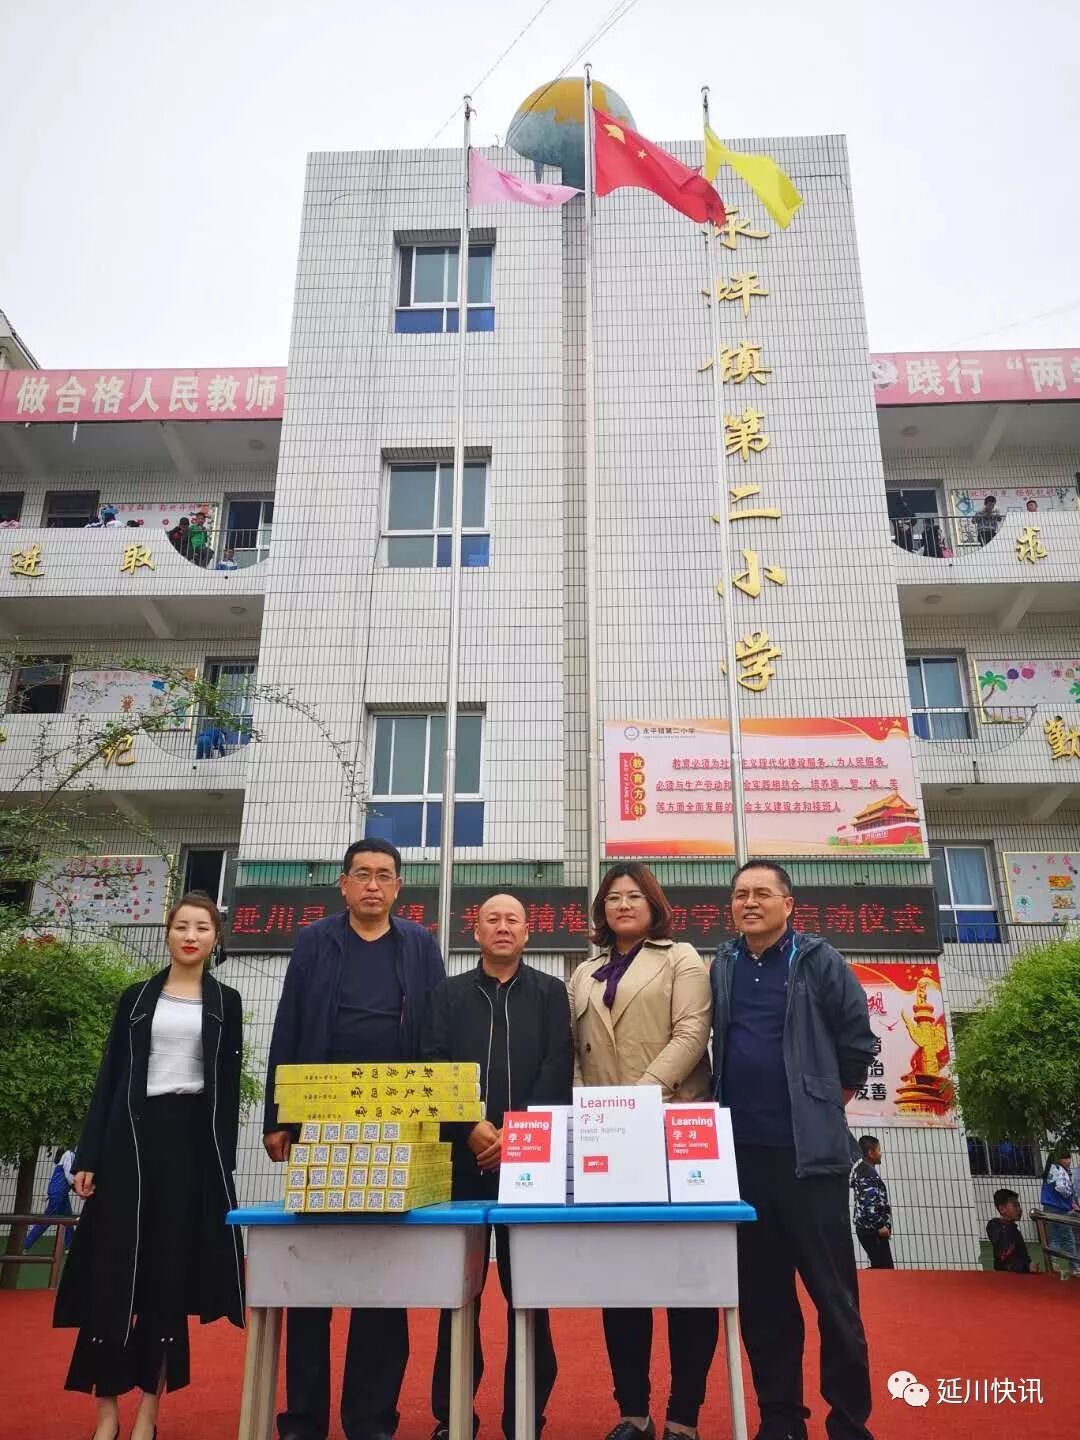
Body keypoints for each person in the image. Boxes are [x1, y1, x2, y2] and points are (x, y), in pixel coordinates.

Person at [264, 838, 446, 1440]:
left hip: (397, 1123)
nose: (373, 884)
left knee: (383, 1278)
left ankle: (371, 1419)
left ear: (399, 887)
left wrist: (437, 1118)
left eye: (384, 875)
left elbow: (436, 1030)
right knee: (312, 1277)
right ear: (343, 884)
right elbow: (289, 1024)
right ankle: (303, 1420)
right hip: (320, 1122)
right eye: (362, 874)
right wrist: (278, 1117)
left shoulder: (419, 945)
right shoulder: (315, 941)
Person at [54, 893, 245, 1440]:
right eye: (181, 926)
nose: (191, 935)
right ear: (167, 933)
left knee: (166, 1277)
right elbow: (110, 1076)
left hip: (189, 1146)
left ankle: (147, 1416)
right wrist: (90, 1155)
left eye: (202, 927)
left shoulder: (226, 1003)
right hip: (128, 1140)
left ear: (216, 938)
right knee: (113, 1273)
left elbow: (227, 1090)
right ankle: (106, 1416)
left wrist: (222, 1165)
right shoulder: (136, 998)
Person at [711, 861, 877, 1440]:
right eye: (740, 894)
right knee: (764, 1300)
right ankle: (781, 1420)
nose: (749, 902)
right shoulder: (723, 964)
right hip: (742, 1159)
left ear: (788, 904)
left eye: (762, 893)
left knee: (834, 1298)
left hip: (810, 1161)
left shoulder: (817, 960)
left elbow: (858, 1039)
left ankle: (848, 1422)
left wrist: (824, 1100)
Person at [568, 862, 713, 1440]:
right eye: (613, 897)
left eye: (634, 896)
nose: (622, 904)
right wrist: (587, 1111)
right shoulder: (584, 971)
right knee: (622, 1281)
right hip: (608, 1140)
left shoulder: (682, 958)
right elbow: (574, 1054)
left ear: (654, 905)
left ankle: (683, 1416)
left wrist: (638, 1098)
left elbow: (692, 1034)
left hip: (675, 1128)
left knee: (686, 1279)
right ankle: (633, 1412)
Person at [422, 893, 573, 1440]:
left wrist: (518, 1134)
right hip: (461, 1162)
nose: (503, 927)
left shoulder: (552, 993)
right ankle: (453, 1416)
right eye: (493, 919)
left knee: (528, 1293)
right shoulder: (447, 994)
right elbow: (433, 1063)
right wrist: (471, 1127)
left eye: (513, 919)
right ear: (476, 930)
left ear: (527, 932)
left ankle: (525, 1416)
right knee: (457, 1294)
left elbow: (558, 1067)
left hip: (530, 1165)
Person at [849, 1137, 893, 1269]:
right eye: (878, 1150)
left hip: (869, 1228)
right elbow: (869, 1203)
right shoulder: (866, 1173)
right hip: (872, 1229)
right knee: (885, 1269)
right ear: (870, 1152)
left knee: (880, 1266)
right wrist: (880, 1226)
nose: (881, 1153)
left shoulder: (864, 1170)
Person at [23, 1145, 76, 1252]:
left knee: (68, 1220)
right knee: (46, 1220)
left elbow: (58, 1177)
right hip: (59, 1194)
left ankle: (70, 1246)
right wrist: (78, 1188)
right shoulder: (69, 1154)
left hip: (60, 1193)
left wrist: (49, 1194)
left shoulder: (66, 1156)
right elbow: (69, 1176)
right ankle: (26, 1245)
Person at [986, 1189, 1032, 1273]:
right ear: (1002, 1209)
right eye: (1015, 1206)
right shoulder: (999, 1228)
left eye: (1019, 1205)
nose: (1019, 1209)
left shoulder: (1012, 1229)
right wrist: (1027, 1267)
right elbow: (1006, 1258)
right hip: (1009, 1276)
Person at [1040, 1146, 1078, 1213]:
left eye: (1069, 1158)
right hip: (1059, 1208)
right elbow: (1061, 1187)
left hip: (1048, 1206)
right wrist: (1070, 1196)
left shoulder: (1049, 1169)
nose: (1069, 1161)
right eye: (1065, 1158)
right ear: (1058, 1159)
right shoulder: (1058, 1169)